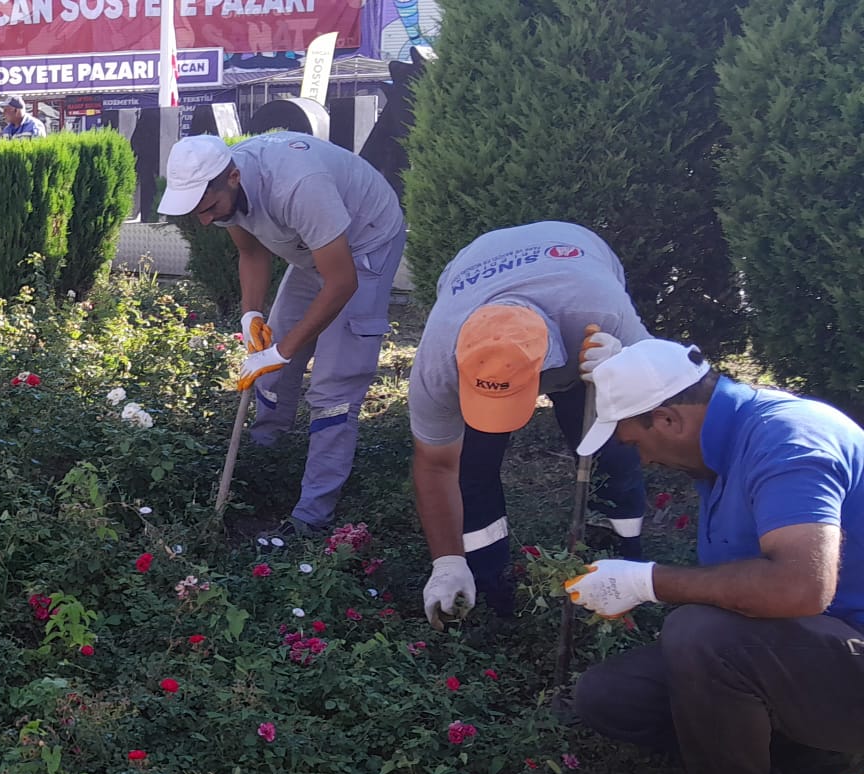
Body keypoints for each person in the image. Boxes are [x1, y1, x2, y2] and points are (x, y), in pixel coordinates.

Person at [565, 340, 864, 774]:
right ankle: (809, 763)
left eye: (635, 443)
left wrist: (648, 581)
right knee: (611, 695)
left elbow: (800, 587)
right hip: (824, 653)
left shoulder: (787, 440)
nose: (645, 460)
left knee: (700, 634)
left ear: (667, 419)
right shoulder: (721, 451)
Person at [157, 132, 406, 537]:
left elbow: (342, 283)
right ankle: (264, 465)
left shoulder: (298, 186)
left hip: (364, 246)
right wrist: (251, 313)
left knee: (332, 390)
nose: (205, 220)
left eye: (210, 208)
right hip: (314, 248)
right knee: (270, 373)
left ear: (233, 177)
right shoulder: (223, 192)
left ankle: (312, 516)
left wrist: (284, 350)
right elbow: (251, 252)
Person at [411, 222, 651, 623]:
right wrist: (447, 562)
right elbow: (437, 465)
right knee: (473, 467)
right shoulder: (438, 362)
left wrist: (627, 372)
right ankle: (490, 591)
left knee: (614, 453)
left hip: (578, 275)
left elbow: (673, 392)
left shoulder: (603, 312)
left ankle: (623, 566)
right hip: (476, 261)